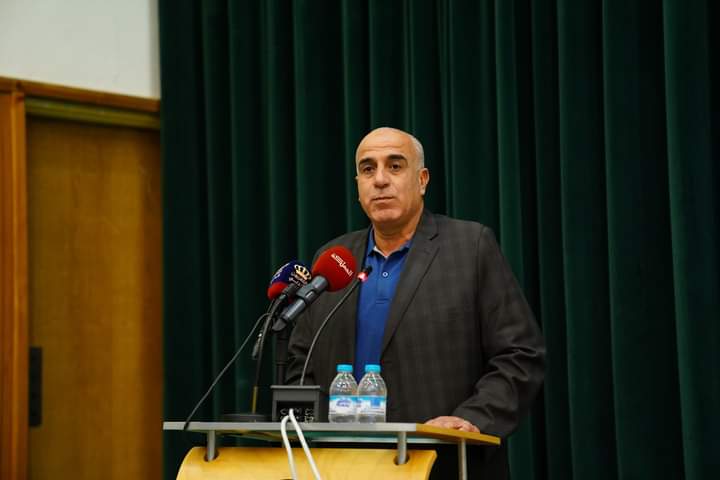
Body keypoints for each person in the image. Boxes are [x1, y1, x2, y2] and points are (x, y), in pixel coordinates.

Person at [286, 127, 545, 478]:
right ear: (358, 186)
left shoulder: (470, 247)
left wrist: (470, 418)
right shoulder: (335, 260)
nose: (380, 180)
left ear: (422, 180)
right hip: (344, 465)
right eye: (367, 169)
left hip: (445, 463)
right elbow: (300, 364)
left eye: (395, 166)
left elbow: (520, 354)